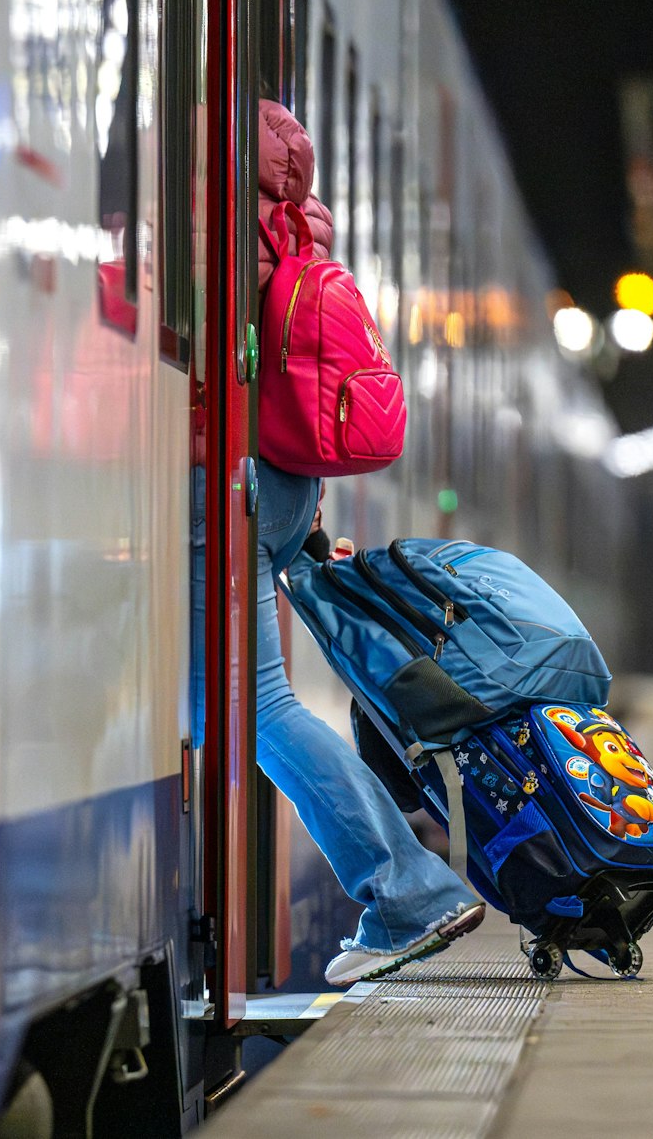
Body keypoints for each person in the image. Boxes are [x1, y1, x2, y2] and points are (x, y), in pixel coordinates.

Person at [190, 100, 483, 987]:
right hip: (285, 486)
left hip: (232, 480)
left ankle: (409, 888)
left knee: (254, 708)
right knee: (256, 703)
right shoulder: (290, 231)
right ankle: (408, 884)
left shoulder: (216, 222)